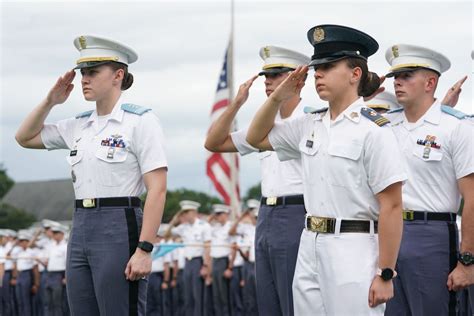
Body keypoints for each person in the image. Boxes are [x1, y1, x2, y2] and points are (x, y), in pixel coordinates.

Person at [246, 24, 407, 315]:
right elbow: (255, 137)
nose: (317, 73)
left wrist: (386, 272)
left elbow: (392, 205)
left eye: (329, 66)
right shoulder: (311, 123)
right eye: (316, 67)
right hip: (310, 242)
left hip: (354, 246)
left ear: (355, 74)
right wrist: (277, 97)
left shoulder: (374, 130)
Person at [15, 35, 168, 315]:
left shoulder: (140, 122)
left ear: (118, 75)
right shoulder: (78, 125)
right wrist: (50, 101)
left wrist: (145, 248)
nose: (84, 78)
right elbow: (24, 137)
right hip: (81, 225)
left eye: (93, 72)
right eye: (83, 72)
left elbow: (157, 189)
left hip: (119, 224)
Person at [205, 46, 309, 316]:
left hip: (297, 212)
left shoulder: (310, 118)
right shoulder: (264, 125)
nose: (268, 82)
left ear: (298, 79)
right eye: (266, 76)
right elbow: (214, 142)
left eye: (276, 75)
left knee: (292, 300)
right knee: (267, 302)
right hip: (266, 215)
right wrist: (237, 103)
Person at [382, 44, 474, 316]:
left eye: (407, 75)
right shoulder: (384, 126)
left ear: (430, 82)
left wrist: (467, 260)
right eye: (394, 76)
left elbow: (472, 198)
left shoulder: (456, 127)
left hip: (430, 236)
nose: (397, 81)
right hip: (386, 235)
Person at [166, 200, 212, 316]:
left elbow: (207, 247)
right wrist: (175, 218)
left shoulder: (203, 226)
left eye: (187, 212)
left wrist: (206, 266)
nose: (185, 214)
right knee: (188, 296)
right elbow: (166, 234)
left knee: (198, 297)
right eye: (183, 212)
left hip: (198, 262)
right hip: (187, 262)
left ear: (194, 212)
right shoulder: (183, 227)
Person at [208, 204, 233, 316]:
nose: (217, 217)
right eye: (216, 215)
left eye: (219, 214)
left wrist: (229, 267)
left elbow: (233, 249)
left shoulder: (230, 227)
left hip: (224, 261)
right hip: (215, 261)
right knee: (216, 294)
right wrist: (213, 216)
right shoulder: (215, 228)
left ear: (225, 214)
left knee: (224, 295)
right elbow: (205, 225)